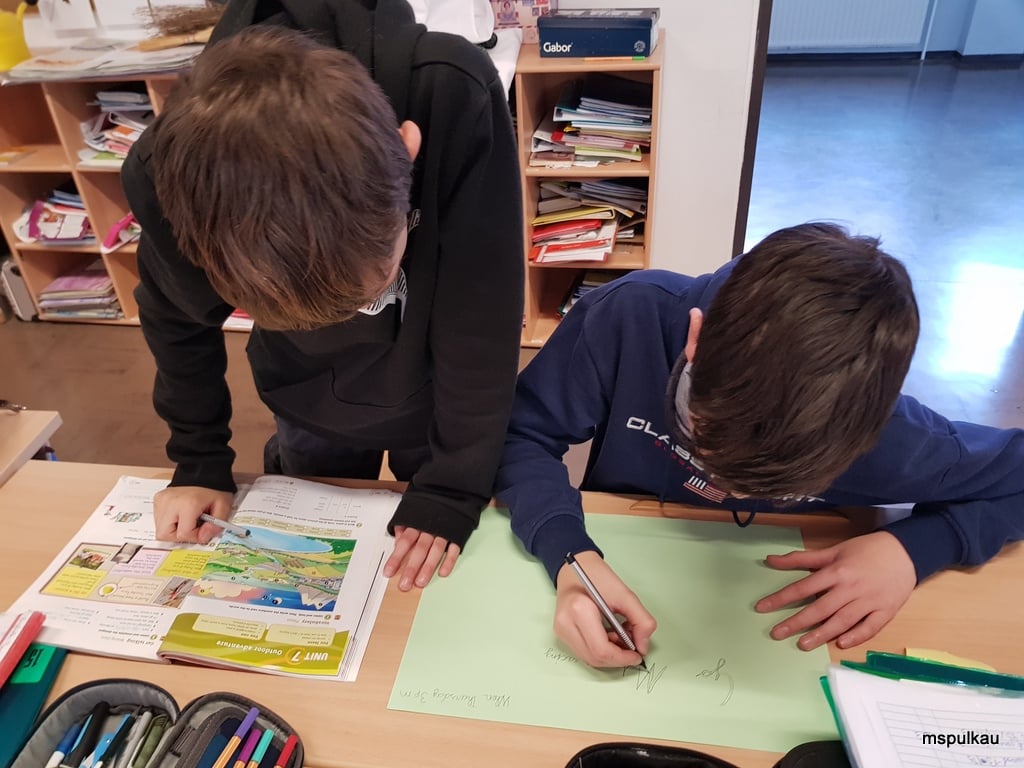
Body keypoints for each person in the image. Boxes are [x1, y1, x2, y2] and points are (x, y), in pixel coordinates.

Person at [122, 0, 523, 591]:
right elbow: (174, 316)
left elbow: (482, 310)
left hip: (439, 391)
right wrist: (198, 459)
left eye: (374, 283)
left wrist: (453, 482)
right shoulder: (164, 169)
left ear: (406, 148)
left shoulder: (450, 91)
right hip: (303, 391)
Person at [495, 222, 1024, 668]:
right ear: (695, 340)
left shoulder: (900, 440)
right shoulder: (628, 318)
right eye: (700, 435)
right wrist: (570, 556)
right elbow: (523, 433)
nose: (725, 487)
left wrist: (915, 550)